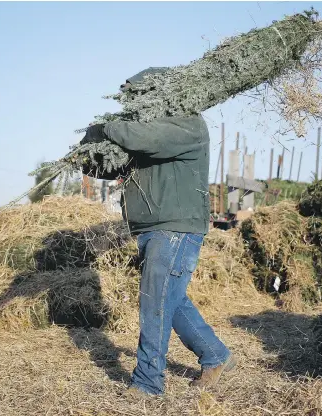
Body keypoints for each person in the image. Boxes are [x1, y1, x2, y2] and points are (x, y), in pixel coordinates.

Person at [80, 67, 236, 398]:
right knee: (170, 299)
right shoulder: (146, 131)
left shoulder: (186, 124)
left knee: (155, 302)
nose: (134, 105)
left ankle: (148, 382)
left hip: (175, 228)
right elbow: (106, 166)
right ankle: (215, 355)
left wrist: (106, 126)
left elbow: (144, 138)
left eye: (139, 97)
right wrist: (90, 145)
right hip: (152, 228)